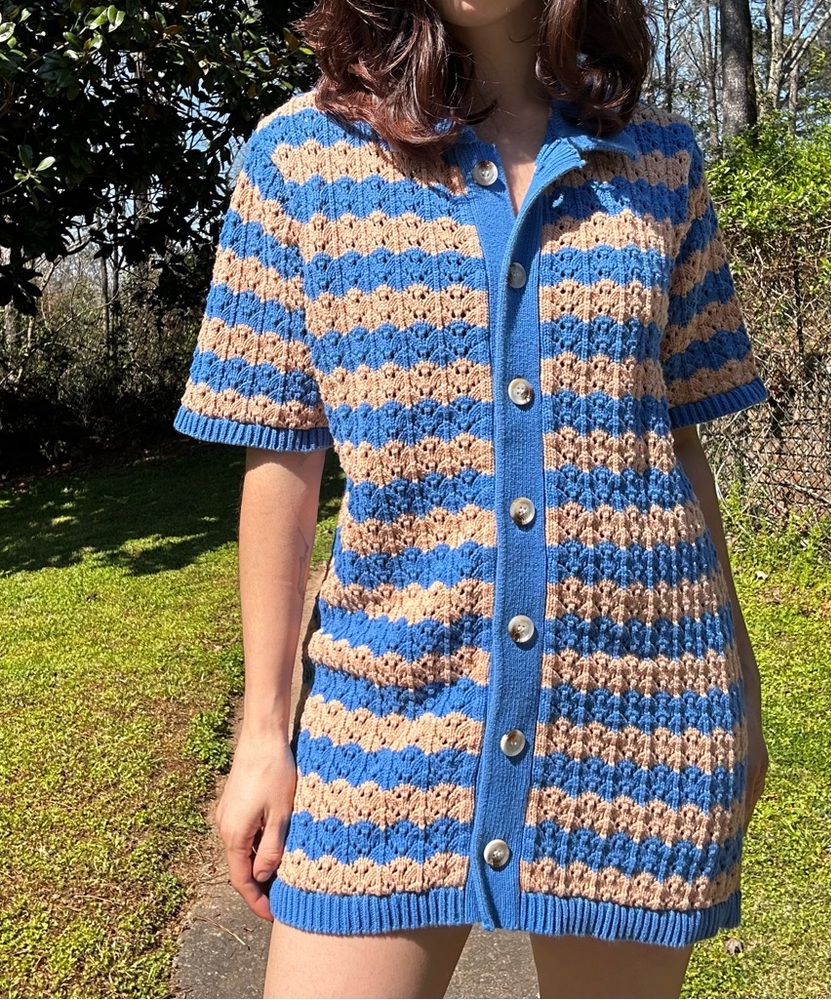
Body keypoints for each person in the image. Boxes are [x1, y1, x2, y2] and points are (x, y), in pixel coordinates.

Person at [173, 0, 771, 995]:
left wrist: (739, 691)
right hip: (384, 718)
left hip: (637, 723)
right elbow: (279, 457)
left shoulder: (658, 157)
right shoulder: (300, 158)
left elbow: (674, 442)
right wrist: (263, 733)